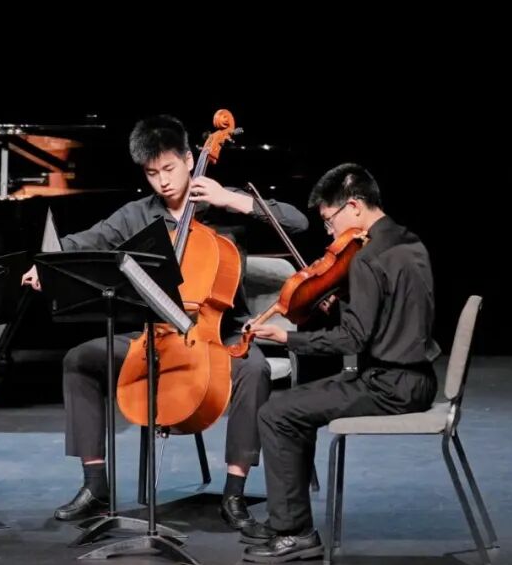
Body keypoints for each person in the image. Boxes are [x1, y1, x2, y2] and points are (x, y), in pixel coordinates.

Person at [21, 114, 308, 530]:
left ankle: (234, 492)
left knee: (255, 370)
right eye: (152, 174)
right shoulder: (136, 214)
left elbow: (298, 222)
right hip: (153, 332)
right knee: (79, 360)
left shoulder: (221, 203)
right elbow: (86, 241)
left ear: (190, 160)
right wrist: (47, 263)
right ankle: (95, 485)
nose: (163, 182)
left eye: (170, 169)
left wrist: (234, 200)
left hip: (219, 333)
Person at [242, 163, 439, 563]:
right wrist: (345, 301)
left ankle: (295, 532)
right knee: (294, 409)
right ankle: (286, 518)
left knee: (277, 412)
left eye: (329, 220)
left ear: (354, 206)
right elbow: (390, 312)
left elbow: (352, 339)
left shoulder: (366, 259)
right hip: (419, 379)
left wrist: (287, 338)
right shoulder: (408, 241)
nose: (329, 232)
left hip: (389, 386)